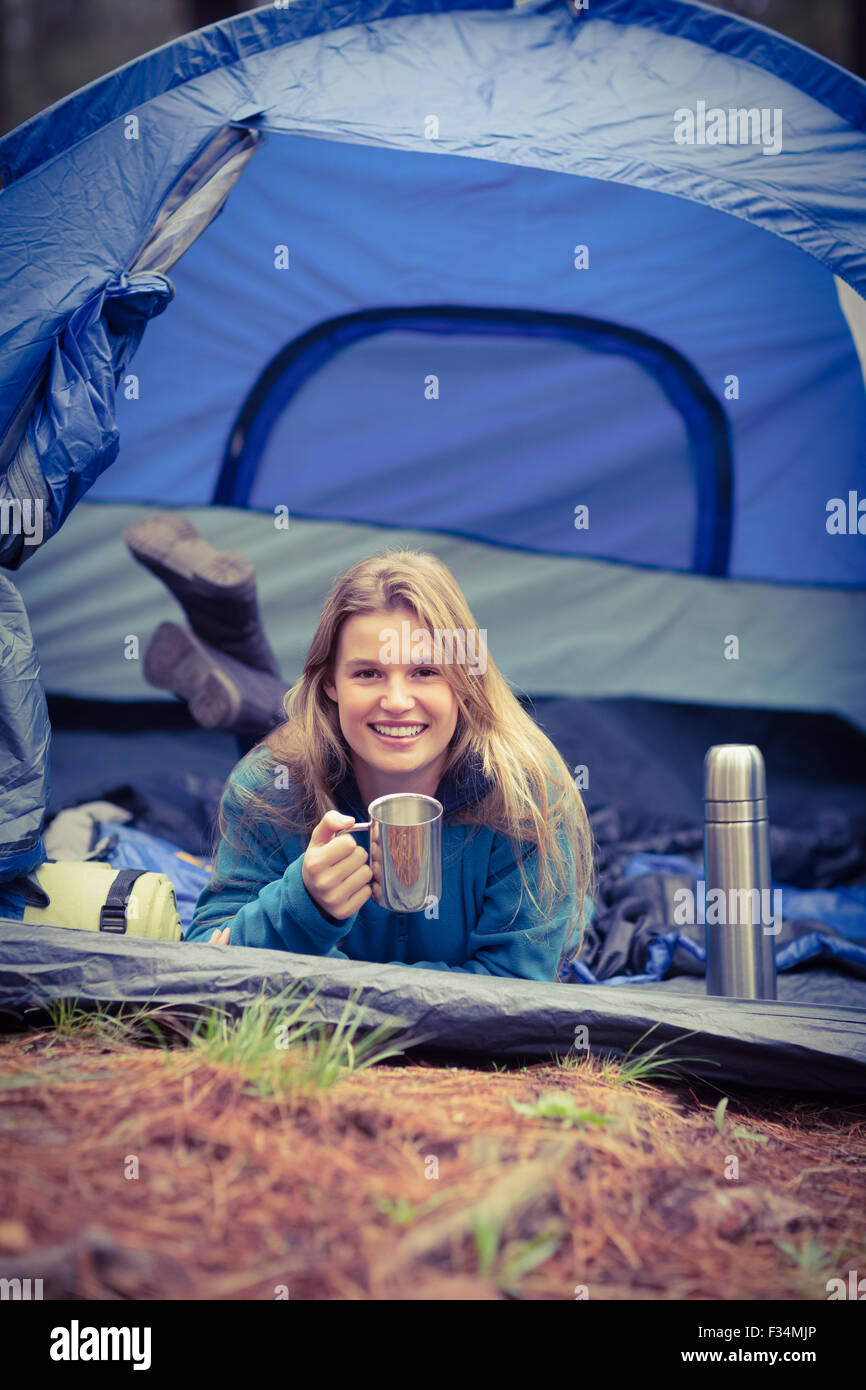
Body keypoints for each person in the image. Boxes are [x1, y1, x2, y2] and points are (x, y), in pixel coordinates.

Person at [179, 547, 595, 980]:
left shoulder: (528, 794)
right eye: (367, 674)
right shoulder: (270, 787)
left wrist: (331, 975)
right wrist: (303, 905)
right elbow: (205, 959)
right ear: (330, 684)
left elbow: (518, 986)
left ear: (465, 682)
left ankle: (236, 648)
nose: (397, 702)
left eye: (425, 672)